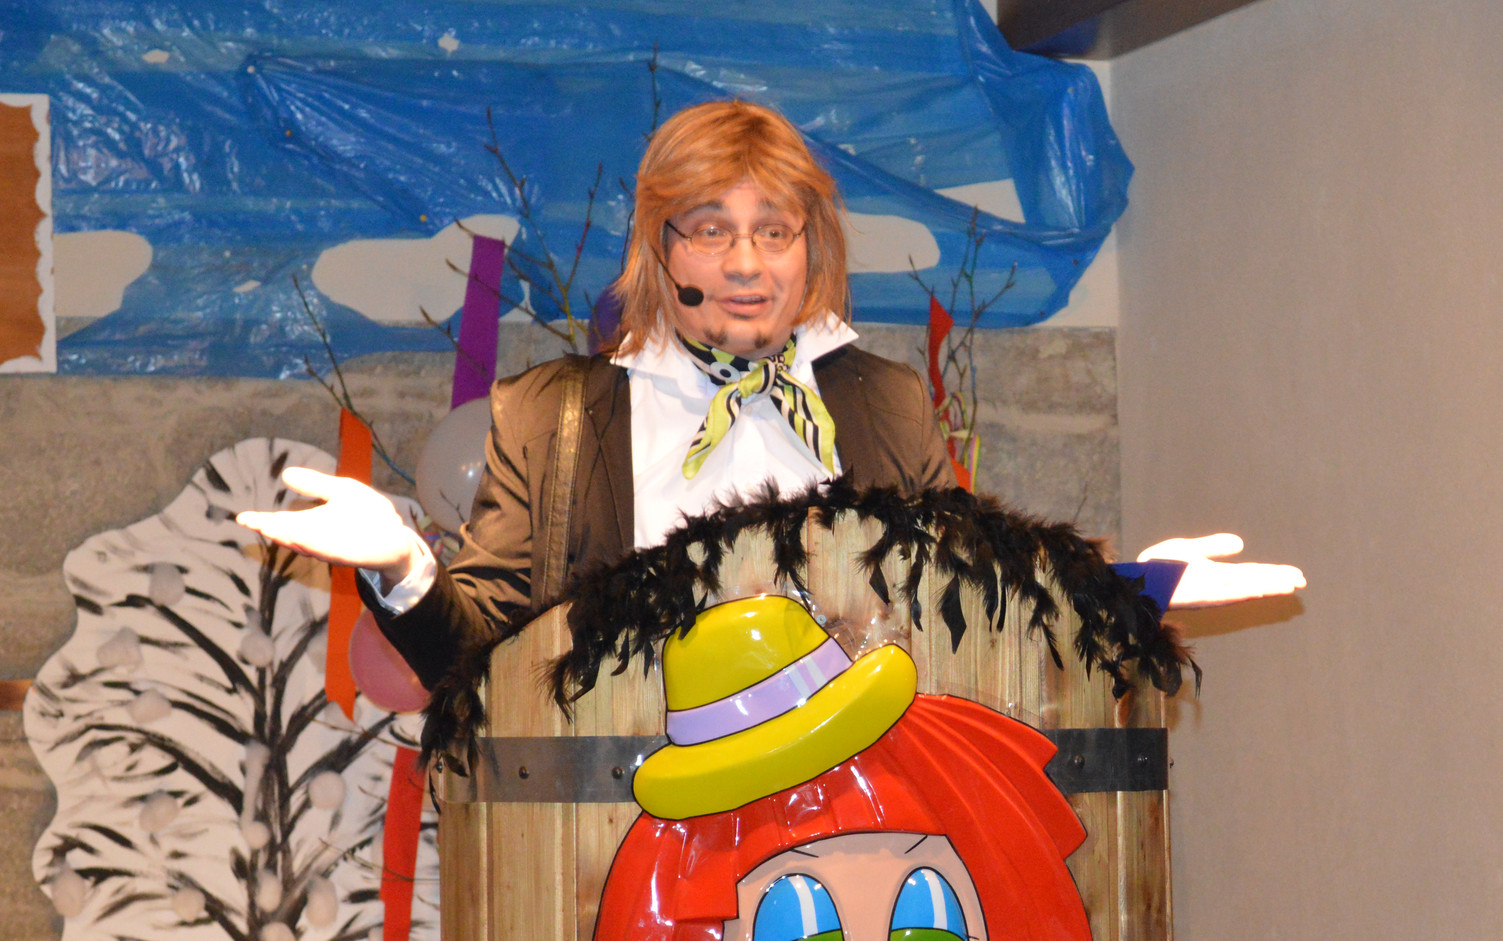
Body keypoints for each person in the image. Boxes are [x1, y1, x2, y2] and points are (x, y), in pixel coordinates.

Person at [235, 99, 1305, 692]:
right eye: (711, 229)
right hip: (626, 842)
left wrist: (1129, 590)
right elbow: (477, 659)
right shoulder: (549, 417)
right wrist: (402, 564)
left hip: (859, 837)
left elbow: (970, 605)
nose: (746, 262)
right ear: (660, 247)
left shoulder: (882, 402)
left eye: (775, 231)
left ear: (810, 249)